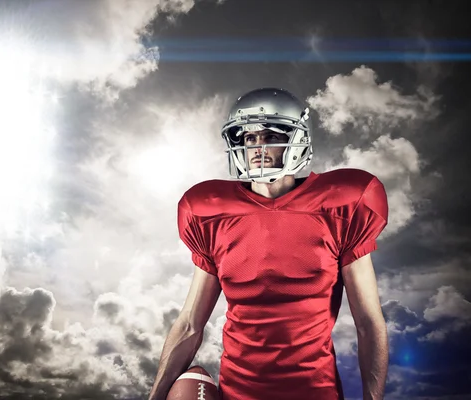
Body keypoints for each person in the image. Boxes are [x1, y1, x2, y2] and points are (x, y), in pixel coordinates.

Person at [148, 88, 389, 400]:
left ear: (297, 139)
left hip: (315, 392)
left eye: (269, 135)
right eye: (249, 138)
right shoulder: (212, 213)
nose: (258, 147)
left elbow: (369, 324)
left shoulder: (341, 207)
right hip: (238, 393)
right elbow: (192, 324)